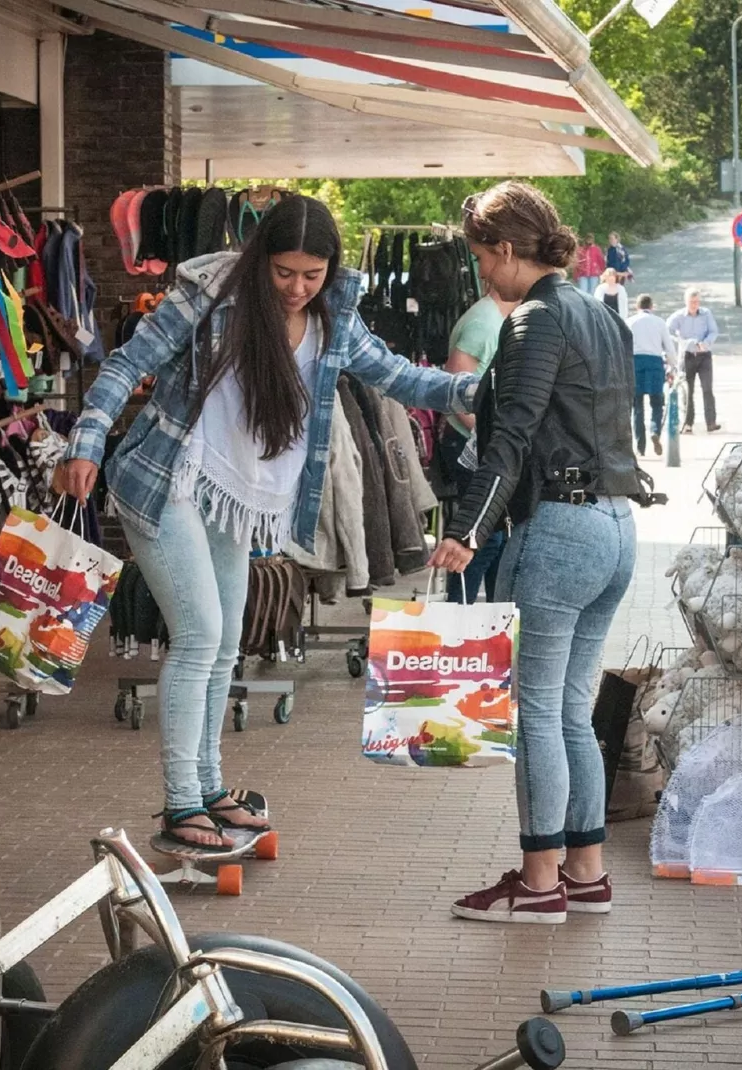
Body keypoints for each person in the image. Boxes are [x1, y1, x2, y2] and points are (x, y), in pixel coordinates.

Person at [56, 195, 477, 851]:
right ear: (260, 259)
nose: (297, 288)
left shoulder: (333, 311)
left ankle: (211, 790)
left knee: (226, 644)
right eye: (284, 272)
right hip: (169, 476)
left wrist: (475, 392)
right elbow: (126, 363)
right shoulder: (210, 292)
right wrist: (86, 440)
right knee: (200, 637)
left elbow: (397, 377)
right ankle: (179, 804)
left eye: (312, 275)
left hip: (234, 491)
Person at [429, 181, 641, 924]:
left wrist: (467, 529)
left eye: (485, 259)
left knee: (538, 714)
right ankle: (586, 874)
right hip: (617, 528)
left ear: (509, 250)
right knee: (572, 711)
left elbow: (511, 436)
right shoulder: (601, 315)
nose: (484, 276)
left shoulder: (533, 323)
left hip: (558, 532)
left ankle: (539, 881)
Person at [438, 286, 518, 603]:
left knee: (495, 537)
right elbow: (456, 390)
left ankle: (486, 619)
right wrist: (491, 438)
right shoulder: (484, 323)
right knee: (483, 537)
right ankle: (459, 611)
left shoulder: (494, 319)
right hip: (470, 447)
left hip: (480, 445)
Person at [626, 294, 676, 456]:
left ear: (637, 307)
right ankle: (655, 430)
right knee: (657, 402)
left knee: (637, 406)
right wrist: (672, 367)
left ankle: (640, 447)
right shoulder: (659, 322)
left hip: (635, 363)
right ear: (652, 307)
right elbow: (669, 348)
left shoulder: (630, 322)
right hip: (654, 363)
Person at [668, 288, 720, 433]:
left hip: (704, 355)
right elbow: (668, 331)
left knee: (707, 389)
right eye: (691, 302)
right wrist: (684, 342)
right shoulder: (679, 316)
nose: (694, 305)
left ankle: (711, 422)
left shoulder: (706, 313)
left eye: (697, 302)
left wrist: (707, 342)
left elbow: (714, 331)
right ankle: (688, 423)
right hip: (687, 355)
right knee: (688, 391)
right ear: (686, 302)